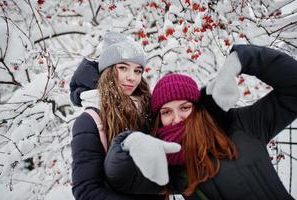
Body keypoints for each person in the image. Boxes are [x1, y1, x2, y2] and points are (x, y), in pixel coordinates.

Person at [104, 44, 297, 200]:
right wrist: (128, 142)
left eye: (185, 108)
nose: (177, 118)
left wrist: (243, 59)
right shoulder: (170, 165)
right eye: (166, 112)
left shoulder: (243, 125)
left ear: (198, 107)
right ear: (159, 119)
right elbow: (119, 178)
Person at [69, 32, 173, 200]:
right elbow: (86, 190)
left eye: (137, 70)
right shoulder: (90, 121)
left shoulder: (149, 111)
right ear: (108, 71)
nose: (131, 77)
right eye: (123, 68)